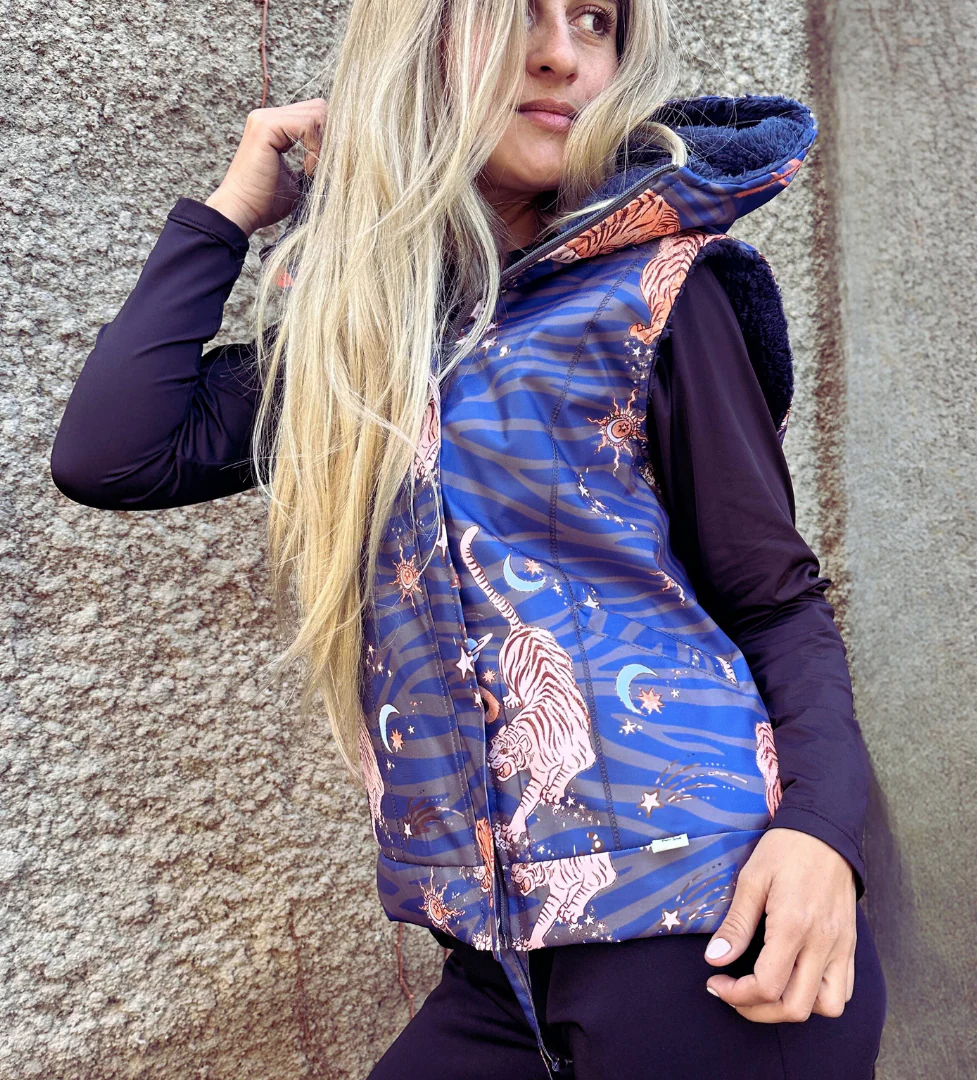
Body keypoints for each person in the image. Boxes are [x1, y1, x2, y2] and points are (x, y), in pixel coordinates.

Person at [50, 0, 887, 1075]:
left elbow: (774, 599)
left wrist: (823, 835)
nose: (561, 53)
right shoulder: (369, 342)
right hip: (501, 961)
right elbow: (114, 453)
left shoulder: (660, 290)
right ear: (420, 45)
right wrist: (229, 212)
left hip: (706, 923)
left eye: (595, 21)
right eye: (519, 15)